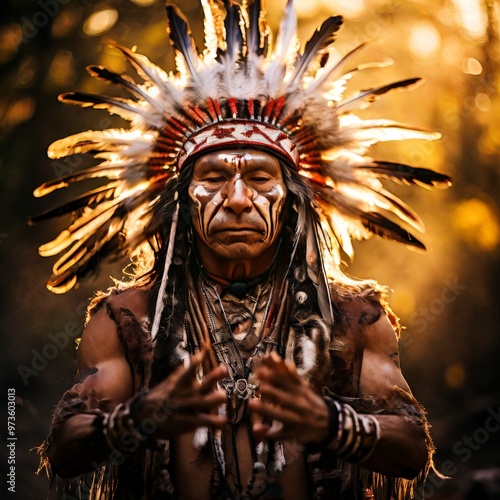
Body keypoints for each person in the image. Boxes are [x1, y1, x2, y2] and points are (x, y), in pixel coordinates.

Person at [34, 1, 451, 498]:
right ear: (181, 201)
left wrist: (330, 423)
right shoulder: (128, 318)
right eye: (212, 178)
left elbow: (411, 450)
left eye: (259, 178)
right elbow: (63, 450)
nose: (236, 200)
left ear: (294, 201)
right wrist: (143, 416)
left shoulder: (353, 318)